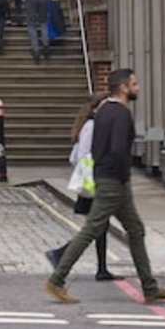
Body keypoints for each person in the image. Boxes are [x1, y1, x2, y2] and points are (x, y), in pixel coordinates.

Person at [44, 68, 165, 306]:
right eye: (134, 84)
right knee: (92, 229)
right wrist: (118, 176)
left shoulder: (104, 110)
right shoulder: (120, 114)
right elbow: (117, 150)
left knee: (135, 230)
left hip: (110, 178)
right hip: (113, 181)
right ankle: (57, 280)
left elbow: (98, 147)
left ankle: (150, 288)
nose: (137, 88)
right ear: (123, 87)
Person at [45, 93, 113, 280]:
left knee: (99, 225)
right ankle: (60, 254)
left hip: (97, 180)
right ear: (96, 107)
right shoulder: (91, 126)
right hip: (93, 182)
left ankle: (101, 269)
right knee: (97, 226)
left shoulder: (96, 125)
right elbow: (82, 156)